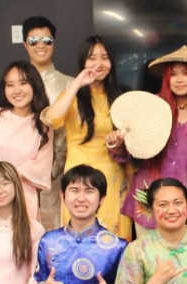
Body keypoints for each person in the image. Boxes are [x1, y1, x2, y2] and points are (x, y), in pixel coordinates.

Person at [109, 45, 187, 236]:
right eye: (173, 74)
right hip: (150, 198)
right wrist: (118, 144)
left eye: (185, 73)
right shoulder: (150, 107)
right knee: (150, 260)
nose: (179, 80)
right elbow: (132, 151)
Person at [41, 36, 131, 240]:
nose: (99, 64)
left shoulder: (121, 96)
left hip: (113, 179)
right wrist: (78, 82)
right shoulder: (73, 96)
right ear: (82, 62)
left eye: (105, 58)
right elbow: (53, 119)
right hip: (78, 178)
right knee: (78, 241)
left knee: (113, 242)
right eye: (92, 58)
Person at [0, 60, 53, 223]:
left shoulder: (43, 125)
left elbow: (41, 167)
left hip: (25, 202)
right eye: (10, 85)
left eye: (23, 83)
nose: (16, 90)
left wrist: (6, 177)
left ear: (35, 86)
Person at [22, 15, 75, 231]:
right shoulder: (15, 84)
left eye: (47, 40)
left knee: (56, 231)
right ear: (25, 45)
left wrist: (56, 168)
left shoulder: (69, 83)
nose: (40, 45)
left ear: (54, 43)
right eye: (34, 41)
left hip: (58, 172)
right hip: (22, 172)